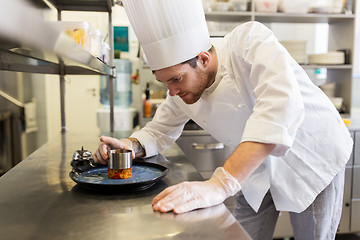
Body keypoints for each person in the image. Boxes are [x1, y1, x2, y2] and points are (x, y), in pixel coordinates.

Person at [93, 0, 353, 239]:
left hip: (312, 157)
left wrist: (219, 184)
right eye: (164, 82)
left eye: (176, 79)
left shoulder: (250, 41)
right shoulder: (180, 91)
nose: (171, 92)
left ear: (203, 59)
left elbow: (279, 107)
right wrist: (130, 145)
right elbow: (160, 130)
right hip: (253, 168)